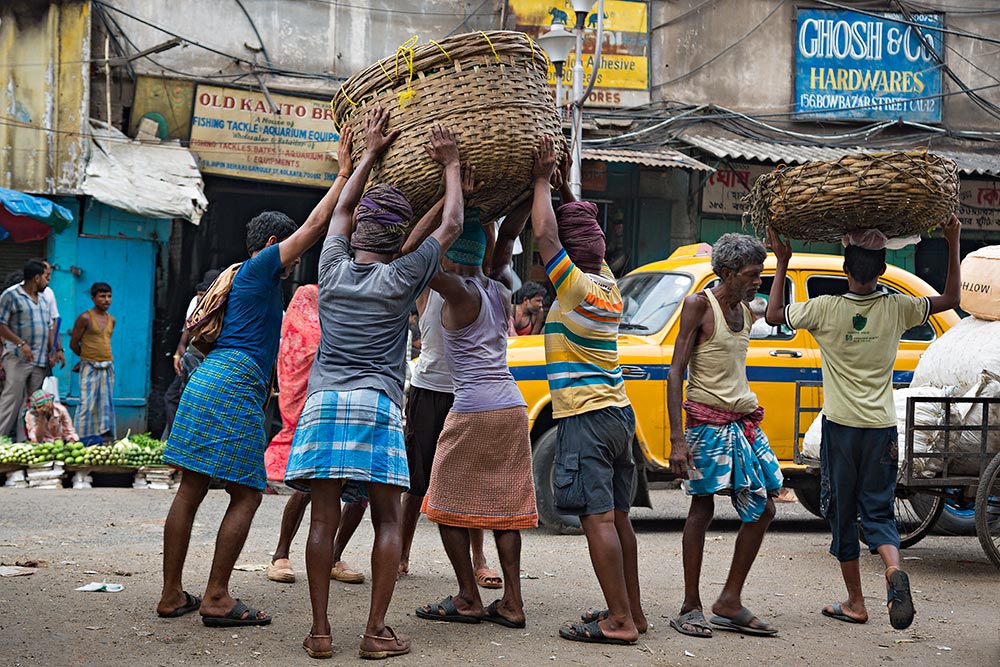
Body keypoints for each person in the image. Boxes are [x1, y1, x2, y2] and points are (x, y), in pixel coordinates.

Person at [154, 124, 356, 626]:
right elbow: (313, 225)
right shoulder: (263, 265)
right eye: (288, 248)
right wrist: (348, 171)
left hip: (206, 380)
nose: (296, 257)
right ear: (272, 242)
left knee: (191, 488)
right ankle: (218, 598)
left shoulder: (237, 273)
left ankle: (172, 594)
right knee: (246, 493)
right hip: (235, 382)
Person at [283, 112, 464, 660]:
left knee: (322, 518)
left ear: (361, 230)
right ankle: (373, 632)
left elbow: (339, 208)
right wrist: (452, 166)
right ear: (397, 237)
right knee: (389, 518)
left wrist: (363, 155)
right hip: (377, 404)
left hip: (323, 402)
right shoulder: (404, 275)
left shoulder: (332, 266)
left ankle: (319, 632)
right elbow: (452, 226)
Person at [765, 214, 962, 630]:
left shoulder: (824, 308)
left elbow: (773, 315)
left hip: (840, 428)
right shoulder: (897, 307)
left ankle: (856, 602)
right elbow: (950, 298)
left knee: (843, 514)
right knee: (879, 512)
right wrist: (952, 239)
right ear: (884, 270)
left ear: (843, 267)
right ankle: (893, 571)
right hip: (881, 428)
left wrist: (782, 260)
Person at [530, 136, 647, 646]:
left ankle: (619, 621)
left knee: (596, 518)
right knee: (619, 518)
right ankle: (633, 612)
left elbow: (546, 239)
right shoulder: (609, 285)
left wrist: (538, 180)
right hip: (619, 416)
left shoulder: (574, 287)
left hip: (587, 417)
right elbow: (568, 237)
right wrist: (560, 185)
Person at [416, 198, 536, 629]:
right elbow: (505, 242)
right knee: (506, 507)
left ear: (449, 253)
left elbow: (414, 258)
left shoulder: (458, 290)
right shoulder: (500, 287)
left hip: (472, 409)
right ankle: (512, 603)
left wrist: (438, 213)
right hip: (512, 406)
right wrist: (524, 197)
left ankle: (468, 595)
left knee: (443, 504)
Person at [666, 233, 783, 639]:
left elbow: (779, 314)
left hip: (743, 422)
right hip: (705, 422)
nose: (757, 282)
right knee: (702, 510)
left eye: (761, 274)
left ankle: (728, 600)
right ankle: (690, 606)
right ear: (728, 273)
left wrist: (781, 260)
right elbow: (676, 371)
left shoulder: (748, 310)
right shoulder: (700, 305)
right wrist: (677, 439)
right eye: (752, 275)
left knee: (765, 509)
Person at [399, 179, 502, 591]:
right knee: (414, 482)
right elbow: (415, 245)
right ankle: (402, 553)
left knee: (470, 482)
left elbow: (488, 249)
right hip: (428, 391)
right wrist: (448, 199)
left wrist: (481, 215)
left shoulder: (479, 285)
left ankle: (479, 557)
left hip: (466, 397)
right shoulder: (432, 284)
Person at [264, 284, 368, 586]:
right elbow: (299, 344)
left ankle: (334, 556)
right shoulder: (310, 294)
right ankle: (280, 554)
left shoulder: (367, 296)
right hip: (322, 401)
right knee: (310, 483)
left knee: (361, 488)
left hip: (359, 399)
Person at [162, 270, 220, 440]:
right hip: (189, 357)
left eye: (204, 294)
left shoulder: (221, 307)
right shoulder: (195, 302)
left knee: (196, 403)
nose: (200, 298)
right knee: (172, 398)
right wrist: (178, 355)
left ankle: (186, 440)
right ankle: (175, 437)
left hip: (205, 362)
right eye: (199, 294)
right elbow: (186, 332)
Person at [0, 259, 54, 437]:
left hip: (39, 361)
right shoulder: (11, 296)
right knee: (11, 400)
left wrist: (55, 351)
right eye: (46, 278)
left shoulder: (44, 299)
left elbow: (49, 326)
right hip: (17, 359)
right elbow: (1, 325)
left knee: (33, 405)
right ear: (36, 278)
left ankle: (26, 443)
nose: (48, 281)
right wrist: (21, 344)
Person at [69, 282, 116, 444]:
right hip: (89, 366)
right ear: (93, 298)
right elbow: (74, 343)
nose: (106, 300)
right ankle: (79, 438)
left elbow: (104, 342)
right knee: (86, 404)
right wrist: (85, 358)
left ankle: (102, 438)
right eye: (102, 296)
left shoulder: (112, 320)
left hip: (107, 366)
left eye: (109, 296)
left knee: (105, 405)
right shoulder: (85, 318)